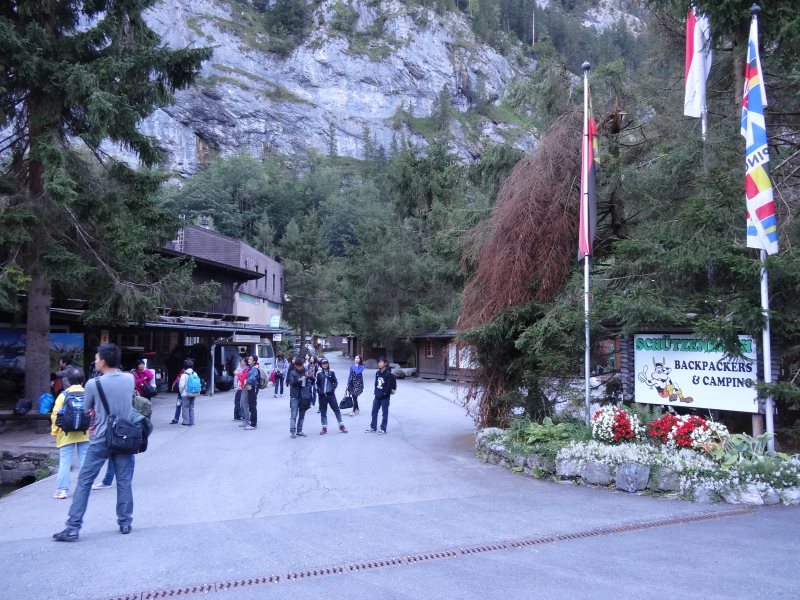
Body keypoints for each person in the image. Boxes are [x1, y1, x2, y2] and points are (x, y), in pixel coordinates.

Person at [53, 343, 136, 542]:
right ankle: (125, 522)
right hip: (124, 437)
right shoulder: (129, 378)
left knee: (84, 482)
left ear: (103, 361)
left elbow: (86, 409)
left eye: (97, 358)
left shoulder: (93, 384)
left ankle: (73, 528)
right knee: (124, 481)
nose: (95, 361)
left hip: (100, 438)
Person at [50, 368, 89, 500]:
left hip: (66, 433)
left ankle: (62, 490)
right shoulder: (88, 394)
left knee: (65, 462)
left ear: (69, 381)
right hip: (84, 432)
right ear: (83, 381)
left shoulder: (63, 395)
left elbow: (55, 415)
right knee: (84, 460)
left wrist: (55, 431)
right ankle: (84, 489)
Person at [365, 357, 396, 435]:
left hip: (385, 397)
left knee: (384, 413)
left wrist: (385, 393)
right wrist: (375, 392)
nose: (380, 364)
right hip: (377, 396)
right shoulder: (377, 373)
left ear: (385, 363)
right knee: (374, 412)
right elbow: (376, 383)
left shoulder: (388, 374)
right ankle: (373, 427)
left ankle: (383, 428)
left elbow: (388, 386)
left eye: (381, 362)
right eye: (379, 362)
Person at [316, 358, 347, 434]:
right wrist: (319, 391)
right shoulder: (319, 373)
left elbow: (335, 381)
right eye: (323, 363)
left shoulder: (332, 372)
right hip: (322, 396)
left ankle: (341, 426)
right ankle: (324, 428)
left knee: (337, 410)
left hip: (331, 395)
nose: (325, 364)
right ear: (321, 365)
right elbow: (316, 383)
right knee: (323, 412)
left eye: (326, 363)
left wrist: (333, 388)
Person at [287, 356, 312, 438]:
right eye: (299, 366)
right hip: (295, 395)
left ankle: (299, 431)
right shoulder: (292, 373)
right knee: (294, 415)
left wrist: (310, 377)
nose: (300, 367)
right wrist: (299, 380)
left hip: (304, 396)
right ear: (295, 365)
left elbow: (312, 381)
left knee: (302, 414)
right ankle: (292, 432)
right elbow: (292, 383)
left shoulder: (305, 371)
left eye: (301, 365)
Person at [244, 355, 260, 430]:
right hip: (251, 388)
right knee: (251, 405)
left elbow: (252, 378)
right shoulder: (251, 368)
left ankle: (253, 424)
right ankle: (252, 422)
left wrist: (246, 380)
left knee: (252, 406)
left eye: (250, 359)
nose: (248, 360)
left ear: (254, 361)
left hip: (253, 388)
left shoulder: (254, 369)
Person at [233, 357, 248, 424]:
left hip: (242, 387)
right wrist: (235, 387)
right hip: (239, 387)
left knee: (238, 402)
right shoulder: (238, 369)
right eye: (242, 361)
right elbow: (236, 379)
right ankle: (237, 415)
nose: (243, 362)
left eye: (244, 361)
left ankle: (237, 416)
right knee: (238, 402)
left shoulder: (245, 368)